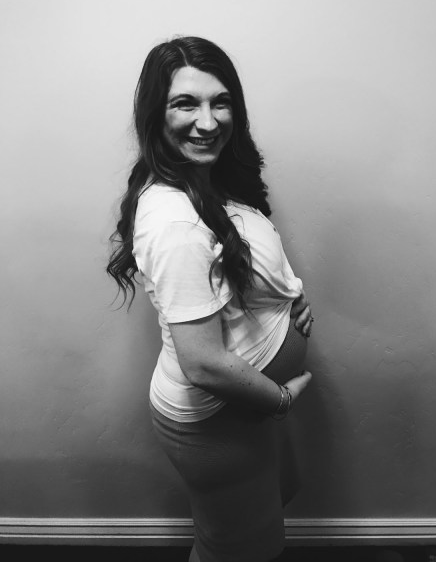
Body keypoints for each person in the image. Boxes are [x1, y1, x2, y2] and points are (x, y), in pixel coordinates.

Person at [106, 35, 314, 562]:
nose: (208, 121)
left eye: (220, 102)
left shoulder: (205, 179)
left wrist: (285, 299)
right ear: (155, 114)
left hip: (242, 409)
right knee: (240, 551)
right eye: (185, 103)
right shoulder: (174, 222)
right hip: (222, 417)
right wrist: (281, 400)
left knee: (244, 537)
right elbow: (202, 362)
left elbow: (232, 278)